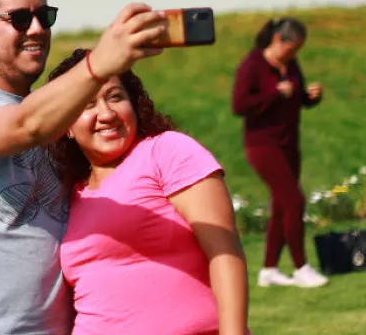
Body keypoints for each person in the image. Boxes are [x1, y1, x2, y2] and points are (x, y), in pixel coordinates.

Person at [0, 0, 169, 335]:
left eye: (45, 16)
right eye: (19, 19)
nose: (37, 29)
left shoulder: (53, 113)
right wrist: (99, 64)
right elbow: (25, 128)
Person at [46, 48, 249, 335]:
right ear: (65, 124)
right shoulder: (72, 194)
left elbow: (225, 252)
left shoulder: (167, 151)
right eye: (87, 104)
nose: (106, 114)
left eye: (115, 97)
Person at [231, 17, 328, 289]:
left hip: (289, 144)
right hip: (262, 146)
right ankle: (301, 268)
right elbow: (239, 105)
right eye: (292, 48)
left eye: (298, 50)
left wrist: (311, 97)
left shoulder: (291, 65)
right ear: (277, 40)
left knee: (282, 206)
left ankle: (269, 270)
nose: (295, 54)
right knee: (295, 201)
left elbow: (296, 98)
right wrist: (274, 93)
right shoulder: (252, 65)